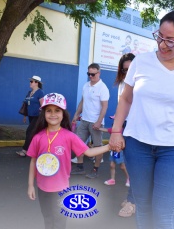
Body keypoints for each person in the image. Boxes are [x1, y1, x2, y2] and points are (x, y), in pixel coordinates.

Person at [109, 10, 174, 229]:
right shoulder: (141, 62)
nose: (162, 45)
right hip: (138, 145)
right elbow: (126, 99)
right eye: (159, 37)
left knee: (163, 214)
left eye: (170, 40)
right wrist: (116, 131)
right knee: (144, 208)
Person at [27, 93, 114, 229]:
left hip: (61, 188)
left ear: (63, 114)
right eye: (48, 111)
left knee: (60, 220)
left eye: (57, 110)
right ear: (43, 113)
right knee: (47, 218)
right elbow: (33, 161)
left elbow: (89, 152)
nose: (53, 114)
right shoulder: (38, 137)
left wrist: (109, 146)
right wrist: (30, 185)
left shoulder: (69, 136)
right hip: (42, 188)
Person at [71, 63, 110, 178]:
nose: (90, 76)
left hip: (95, 122)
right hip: (84, 120)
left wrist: (99, 121)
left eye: (93, 74)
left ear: (99, 73)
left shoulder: (103, 88)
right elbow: (82, 102)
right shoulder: (86, 85)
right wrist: (76, 115)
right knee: (78, 143)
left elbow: (105, 107)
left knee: (97, 147)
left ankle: (95, 169)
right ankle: (80, 167)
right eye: (89, 74)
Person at [112, 53, 137, 218]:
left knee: (136, 166)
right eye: (124, 69)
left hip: (139, 128)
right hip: (126, 126)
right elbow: (122, 105)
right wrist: (116, 128)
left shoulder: (142, 83)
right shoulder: (122, 83)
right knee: (132, 164)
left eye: (130, 69)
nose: (127, 72)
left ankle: (132, 201)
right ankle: (133, 198)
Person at [16, 75, 44, 157]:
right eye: (30, 81)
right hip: (30, 116)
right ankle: (36, 150)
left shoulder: (40, 92)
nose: (30, 83)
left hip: (37, 116)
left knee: (29, 131)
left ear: (37, 83)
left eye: (32, 81)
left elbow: (43, 106)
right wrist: (25, 116)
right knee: (35, 133)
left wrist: (42, 117)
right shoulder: (29, 93)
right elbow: (26, 104)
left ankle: (24, 150)